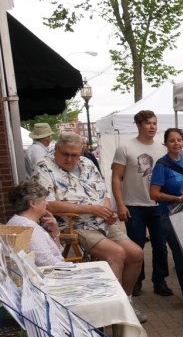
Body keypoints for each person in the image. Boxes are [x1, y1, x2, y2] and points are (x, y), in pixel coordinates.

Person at [34, 132, 147, 322]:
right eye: (65, 154)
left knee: (136, 254)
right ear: (56, 149)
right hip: (71, 224)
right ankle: (107, 309)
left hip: (100, 221)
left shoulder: (87, 164)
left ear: (81, 152)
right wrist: (92, 209)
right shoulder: (44, 166)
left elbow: (104, 194)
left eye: (75, 155)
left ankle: (125, 301)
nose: (70, 159)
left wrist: (106, 211)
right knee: (116, 254)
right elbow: (48, 205)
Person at [111, 110, 172, 298]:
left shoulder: (163, 150)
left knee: (160, 245)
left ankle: (160, 281)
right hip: (133, 205)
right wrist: (120, 205)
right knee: (136, 247)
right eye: (148, 123)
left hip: (157, 205)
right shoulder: (125, 148)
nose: (152, 127)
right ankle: (136, 281)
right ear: (138, 125)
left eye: (154, 123)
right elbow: (116, 178)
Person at [149, 128, 183, 309]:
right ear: (166, 143)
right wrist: (177, 198)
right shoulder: (161, 165)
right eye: (172, 140)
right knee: (181, 257)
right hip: (171, 214)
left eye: (179, 140)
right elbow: (154, 194)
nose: (176, 143)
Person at [7, 179, 65, 267]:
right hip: (48, 276)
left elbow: (55, 253)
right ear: (33, 203)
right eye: (44, 199)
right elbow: (47, 262)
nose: (47, 203)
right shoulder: (27, 227)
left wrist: (55, 230)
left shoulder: (18, 222)